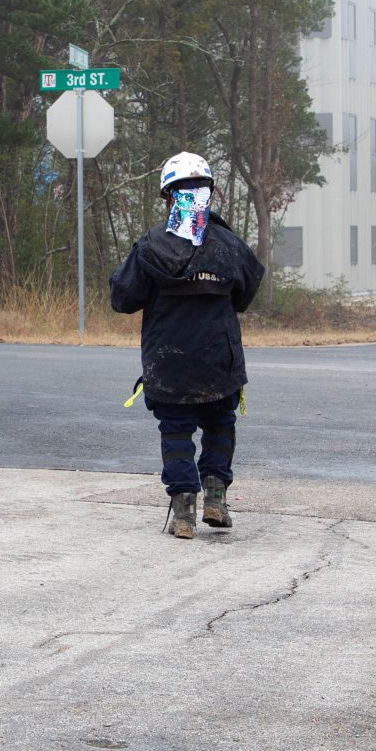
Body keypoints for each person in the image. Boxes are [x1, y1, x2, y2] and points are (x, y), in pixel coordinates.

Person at [109, 151, 265, 540]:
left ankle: (183, 512)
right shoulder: (231, 245)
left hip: (169, 363)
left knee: (176, 432)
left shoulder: (150, 247)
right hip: (220, 362)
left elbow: (122, 299)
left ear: (167, 195)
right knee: (219, 426)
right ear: (210, 193)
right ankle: (215, 498)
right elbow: (244, 297)